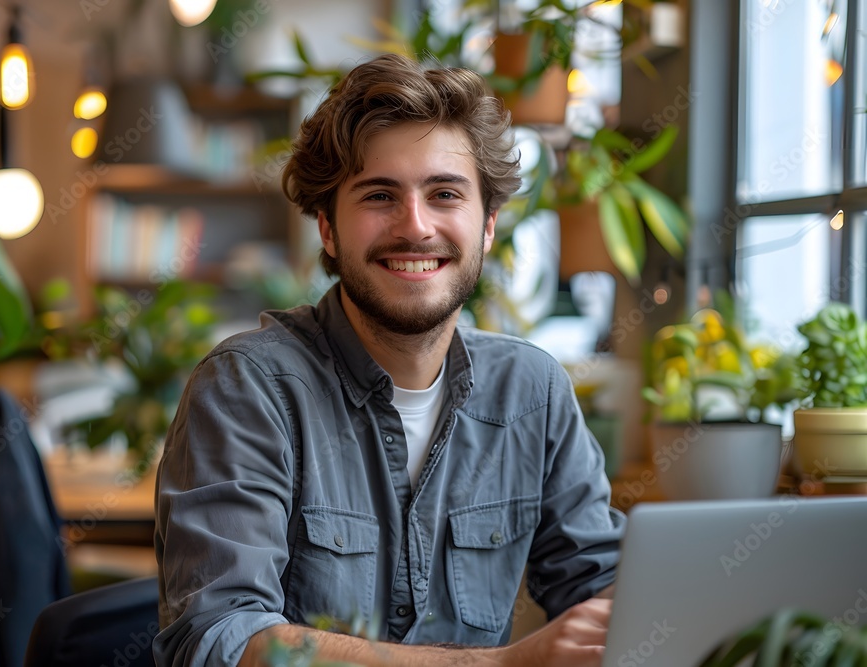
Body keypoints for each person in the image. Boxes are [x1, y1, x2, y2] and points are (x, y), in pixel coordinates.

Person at [153, 53, 625, 667]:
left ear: (486, 226)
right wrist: (495, 665)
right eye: (380, 195)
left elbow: (604, 592)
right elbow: (220, 640)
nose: (416, 226)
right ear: (327, 228)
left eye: (445, 193)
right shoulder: (248, 388)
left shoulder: (531, 390)